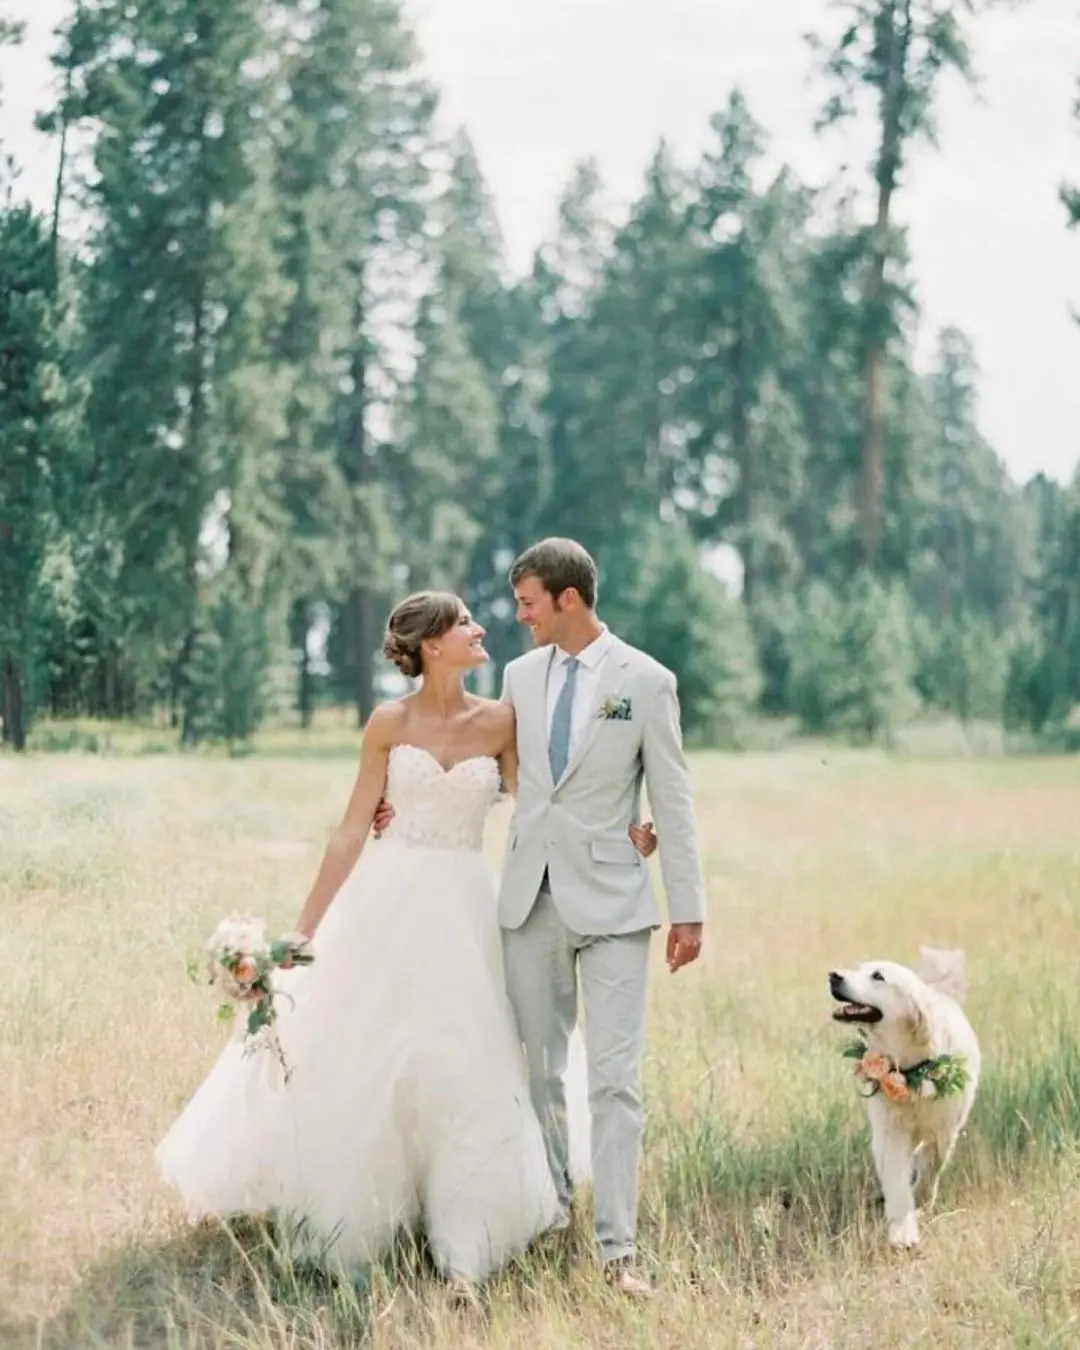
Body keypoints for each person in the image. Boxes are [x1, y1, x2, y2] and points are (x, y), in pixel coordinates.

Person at [155, 589, 655, 1294]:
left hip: (467, 907)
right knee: (374, 1055)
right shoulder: (388, 723)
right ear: (430, 644)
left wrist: (623, 833)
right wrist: (306, 927)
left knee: (469, 1062)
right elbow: (352, 828)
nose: (482, 629)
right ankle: (360, 1225)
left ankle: (468, 1249)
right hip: (385, 904)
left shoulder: (503, 722)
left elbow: (543, 809)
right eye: (465, 623)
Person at [376, 537, 707, 1298]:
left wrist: (687, 907)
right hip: (528, 901)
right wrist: (405, 800)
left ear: (568, 598)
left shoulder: (646, 682)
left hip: (618, 903)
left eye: (528, 602)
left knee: (616, 1082)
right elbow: (504, 775)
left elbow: (674, 798)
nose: (516, 617)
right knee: (539, 1070)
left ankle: (617, 1249)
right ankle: (554, 1208)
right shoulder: (520, 679)